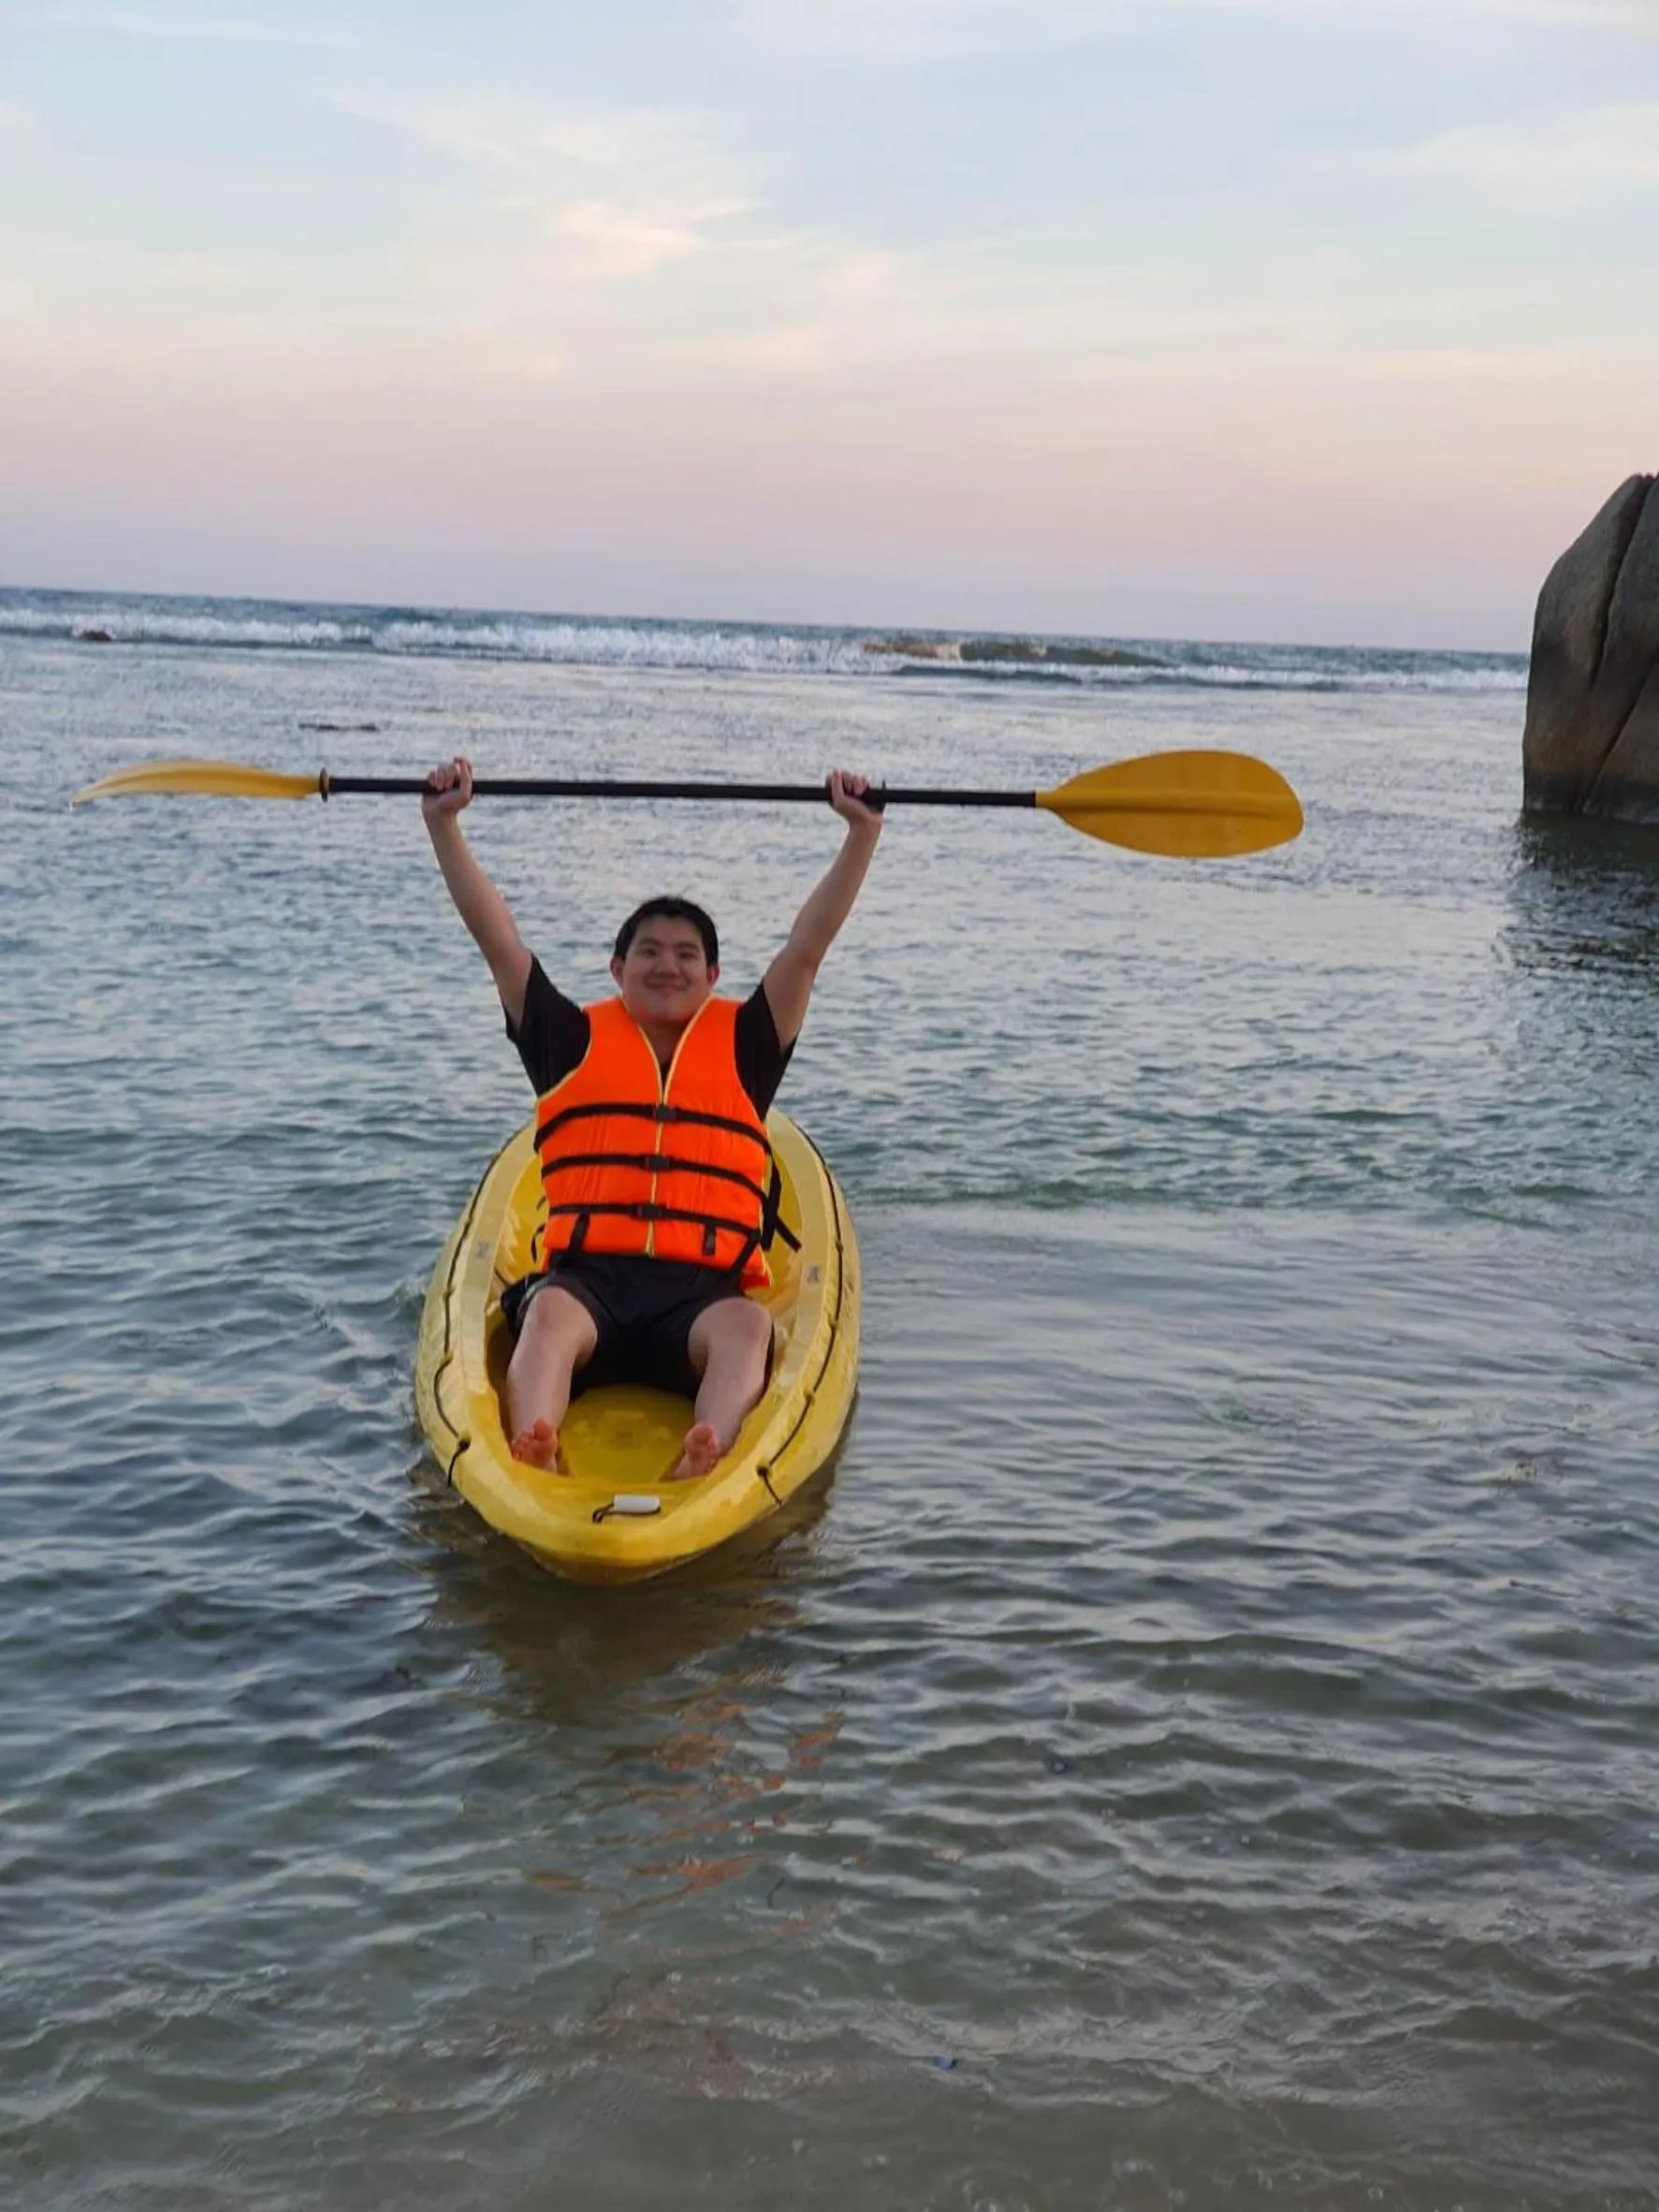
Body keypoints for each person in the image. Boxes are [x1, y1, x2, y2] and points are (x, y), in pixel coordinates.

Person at [422, 756, 883, 1481]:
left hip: (699, 1300)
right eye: (648, 953)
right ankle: (537, 1440)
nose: (667, 966)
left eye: (686, 955)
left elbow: (807, 948)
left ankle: (707, 1446)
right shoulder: (568, 1041)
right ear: (616, 968)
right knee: (542, 1320)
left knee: (750, 1326)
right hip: (586, 1288)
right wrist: (444, 824)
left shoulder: (745, 1048)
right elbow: (498, 941)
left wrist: (861, 835)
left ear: (712, 976)